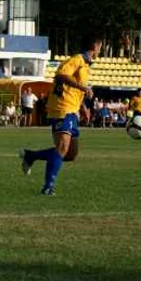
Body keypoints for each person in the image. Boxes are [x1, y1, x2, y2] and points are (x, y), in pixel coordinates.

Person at [19, 34, 102, 196]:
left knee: (71, 154)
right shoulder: (77, 59)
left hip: (72, 109)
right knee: (62, 148)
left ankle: (30, 156)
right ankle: (48, 187)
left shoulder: (85, 65)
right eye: (100, 47)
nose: (100, 50)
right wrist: (84, 88)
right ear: (94, 47)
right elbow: (61, 75)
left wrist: (83, 106)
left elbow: (73, 89)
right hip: (62, 108)